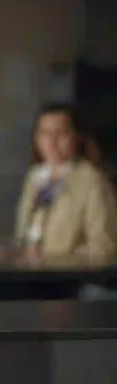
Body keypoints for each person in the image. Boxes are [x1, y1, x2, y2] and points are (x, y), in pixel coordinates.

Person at [7, 102, 117, 268]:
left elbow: (103, 248)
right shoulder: (35, 177)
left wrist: (55, 260)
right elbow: (28, 232)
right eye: (45, 133)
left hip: (67, 279)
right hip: (30, 275)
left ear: (77, 137)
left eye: (61, 133)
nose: (52, 141)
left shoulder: (93, 181)